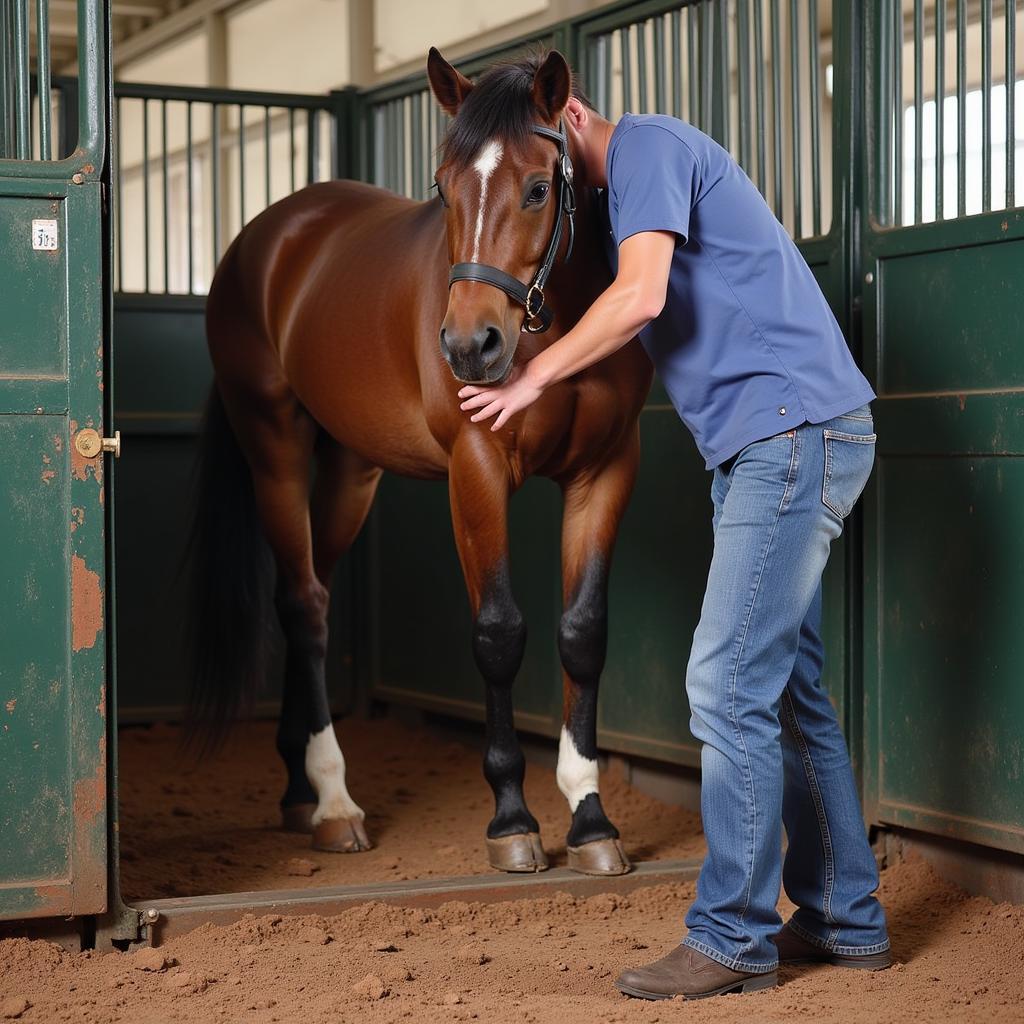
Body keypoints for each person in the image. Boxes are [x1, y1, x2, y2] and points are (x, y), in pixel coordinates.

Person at [456, 87, 891, 1001]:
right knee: (786, 691)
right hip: (769, 442)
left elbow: (643, 295)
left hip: (789, 433)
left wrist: (534, 375)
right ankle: (847, 921)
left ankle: (731, 937)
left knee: (725, 682)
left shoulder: (648, 148)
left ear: (569, 117)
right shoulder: (619, 202)